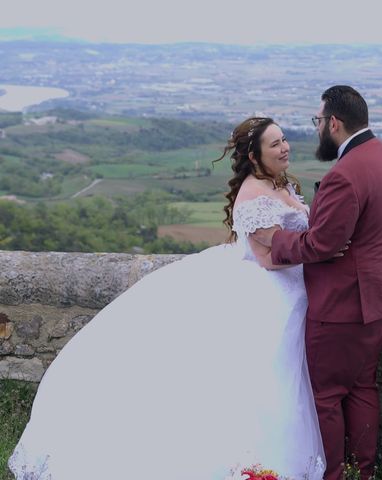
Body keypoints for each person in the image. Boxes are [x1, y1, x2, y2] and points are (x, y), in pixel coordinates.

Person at [8, 117, 325, 480]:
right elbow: (268, 258)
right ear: (254, 156)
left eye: (284, 140)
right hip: (270, 288)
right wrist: (316, 250)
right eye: (275, 144)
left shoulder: (281, 183)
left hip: (295, 284)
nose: (285, 147)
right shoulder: (253, 195)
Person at [252, 86, 382, 480]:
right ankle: (363, 473)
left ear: (333, 123)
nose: (318, 128)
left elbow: (323, 243)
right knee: (361, 387)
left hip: (344, 305)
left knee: (327, 397)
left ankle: (335, 475)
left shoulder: (344, 174)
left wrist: (277, 241)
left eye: (318, 122)